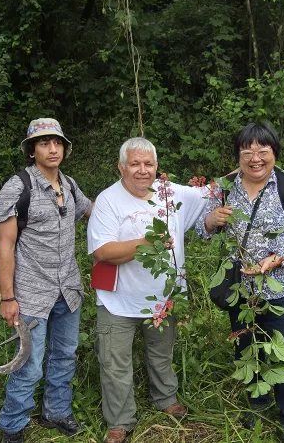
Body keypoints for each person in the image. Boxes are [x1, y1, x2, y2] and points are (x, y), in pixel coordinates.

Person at [197, 123, 284, 443]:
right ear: (238, 154)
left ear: (274, 153)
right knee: (247, 349)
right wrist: (211, 221)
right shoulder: (223, 187)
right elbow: (203, 230)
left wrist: (276, 259)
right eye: (247, 151)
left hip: (280, 288)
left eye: (263, 151)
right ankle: (258, 404)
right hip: (241, 290)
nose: (255, 158)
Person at [87, 137, 210, 443]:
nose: (142, 170)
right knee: (115, 362)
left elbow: (213, 191)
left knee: (161, 353)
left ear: (157, 166)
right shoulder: (108, 200)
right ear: (121, 167)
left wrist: (252, 161)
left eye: (149, 164)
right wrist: (147, 243)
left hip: (162, 298)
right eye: (135, 164)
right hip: (118, 298)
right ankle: (119, 421)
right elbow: (102, 252)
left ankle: (166, 400)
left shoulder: (171, 193)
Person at [0, 118, 93, 443]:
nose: (53, 149)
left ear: (64, 147)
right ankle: (12, 427)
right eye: (44, 143)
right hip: (31, 294)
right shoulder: (18, 187)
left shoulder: (70, 184)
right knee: (29, 365)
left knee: (64, 354)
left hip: (69, 291)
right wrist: (8, 298)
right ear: (32, 150)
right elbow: (5, 246)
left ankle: (56, 411)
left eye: (57, 143)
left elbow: (95, 212)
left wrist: (140, 202)